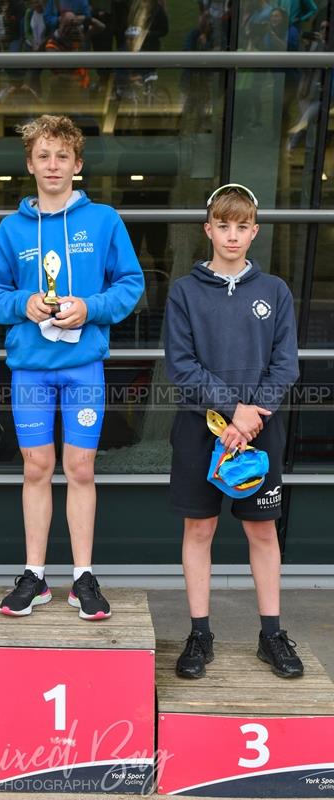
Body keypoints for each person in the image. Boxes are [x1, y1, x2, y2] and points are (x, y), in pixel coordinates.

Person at [0, 115, 144, 621]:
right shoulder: (11, 228)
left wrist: (90, 308)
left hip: (83, 368)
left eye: (62, 157)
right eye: (43, 157)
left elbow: (131, 284)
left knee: (81, 468)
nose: (53, 165)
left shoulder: (104, 220)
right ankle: (34, 576)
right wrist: (23, 303)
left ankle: (82, 577)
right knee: (36, 467)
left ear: (77, 163)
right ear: (30, 165)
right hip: (31, 369)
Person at [164, 183, 304, 679]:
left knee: (262, 530)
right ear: (208, 230)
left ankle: (272, 634)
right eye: (223, 225)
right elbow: (181, 366)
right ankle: (200, 633)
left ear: (255, 232)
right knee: (199, 528)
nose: (232, 235)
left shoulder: (275, 292)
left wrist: (250, 417)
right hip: (200, 428)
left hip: (260, 429)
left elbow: (284, 366)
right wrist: (232, 412)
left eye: (241, 226)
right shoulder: (184, 291)